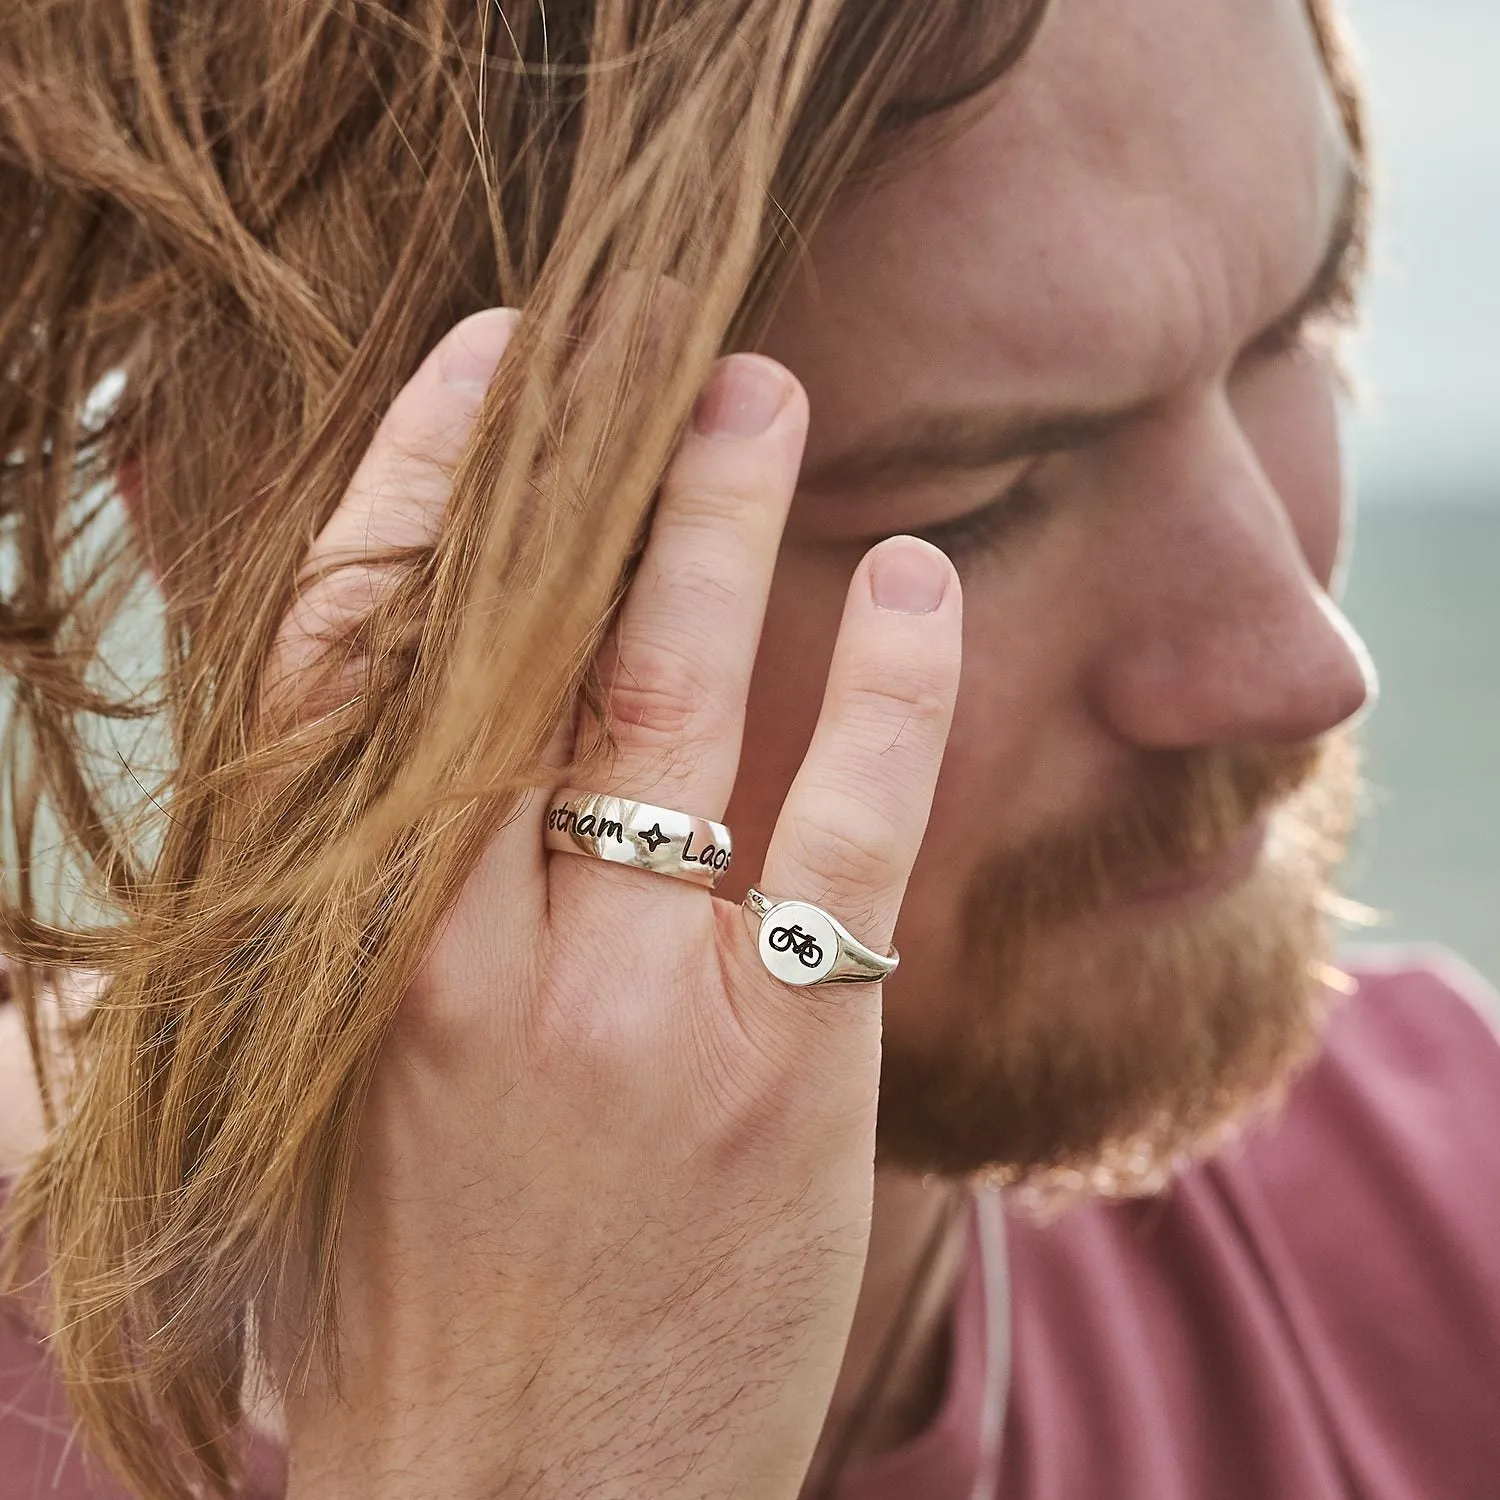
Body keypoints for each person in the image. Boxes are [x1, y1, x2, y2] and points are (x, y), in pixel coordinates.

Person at [1, 0, 1497, 1496]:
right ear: (291, 556)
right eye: (975, 495)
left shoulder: (1448, 1216)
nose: (1302, 668)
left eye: (1298, 327)